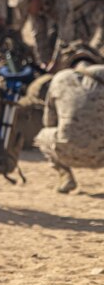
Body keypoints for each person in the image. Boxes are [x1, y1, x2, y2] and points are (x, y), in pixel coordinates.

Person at [35, 64, 104, 193]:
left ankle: (65, 176)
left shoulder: (60, 78)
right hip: (102, 154)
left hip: (69, 152)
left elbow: (48, 122)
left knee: (42, 136)